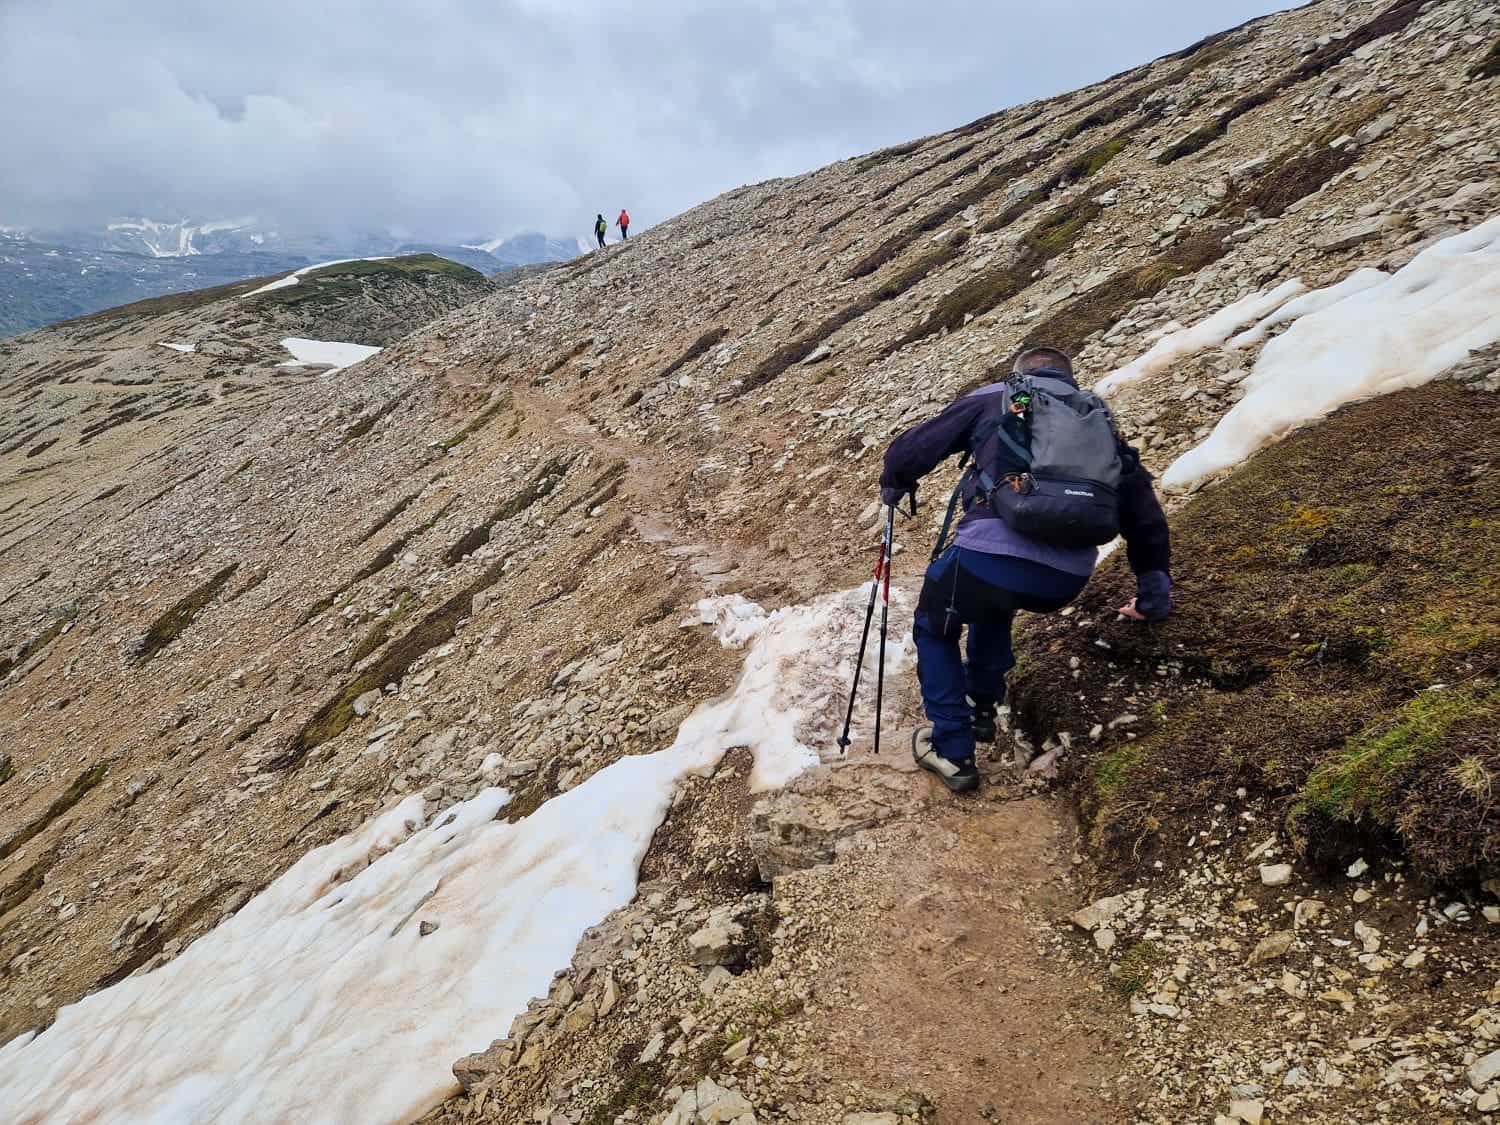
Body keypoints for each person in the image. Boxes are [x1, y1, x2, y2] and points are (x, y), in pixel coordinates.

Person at [880, 345, 1172, 792]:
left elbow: (910, 451)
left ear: (1017, 374)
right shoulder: (1098, 422)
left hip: (986, 556)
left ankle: (952, 750)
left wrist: (894, 484)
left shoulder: (998, 397)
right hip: (1063, 580)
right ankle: (982, 709)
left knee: (934, 627)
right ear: (1069, 379)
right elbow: (1145, 517)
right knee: (993, 607)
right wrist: (1154, 592)